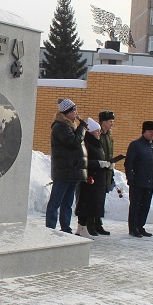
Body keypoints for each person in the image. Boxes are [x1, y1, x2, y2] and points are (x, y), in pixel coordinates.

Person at [46, 98, 87, 233]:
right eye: (74, 111)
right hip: (63, 171)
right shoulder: (60, 127)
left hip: (71, 171)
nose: (76, 113)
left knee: (67, 203)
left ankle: (66, 228)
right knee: (55, 202)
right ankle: (50, 229)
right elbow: (73, 142)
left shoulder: (69, 126)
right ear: (67, 113)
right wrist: (82, 128)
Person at [125, 121, 153, 238]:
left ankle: (141, 227)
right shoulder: (135, 145)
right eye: (150, 131)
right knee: (135, 206)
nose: (152, 134)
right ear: (144, 131)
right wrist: (131, 177)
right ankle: (133, 228)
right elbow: (129, 162)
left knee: (145, 206)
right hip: (137, 182)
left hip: (150, 182)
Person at [74, 118, 110, 238]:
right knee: (85, 205)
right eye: (97, 131)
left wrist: (107, 165)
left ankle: (82, 228)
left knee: (91, 205)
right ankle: (82, 227)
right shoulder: (86, 143)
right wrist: (98, 163)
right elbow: (84, 161)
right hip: (88, 179)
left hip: (96, 178)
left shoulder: (97, 143)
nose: (99, 133)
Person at [96, 110, 116, 235]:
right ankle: (91, 224)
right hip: (97, 171)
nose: (112, 124)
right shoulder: (97, 134)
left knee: (101, 199)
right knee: (95, 199)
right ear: (103, 122)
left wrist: (111, 164)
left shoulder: (108, 136)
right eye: (110, 121)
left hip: (106, 171)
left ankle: (98, 223)